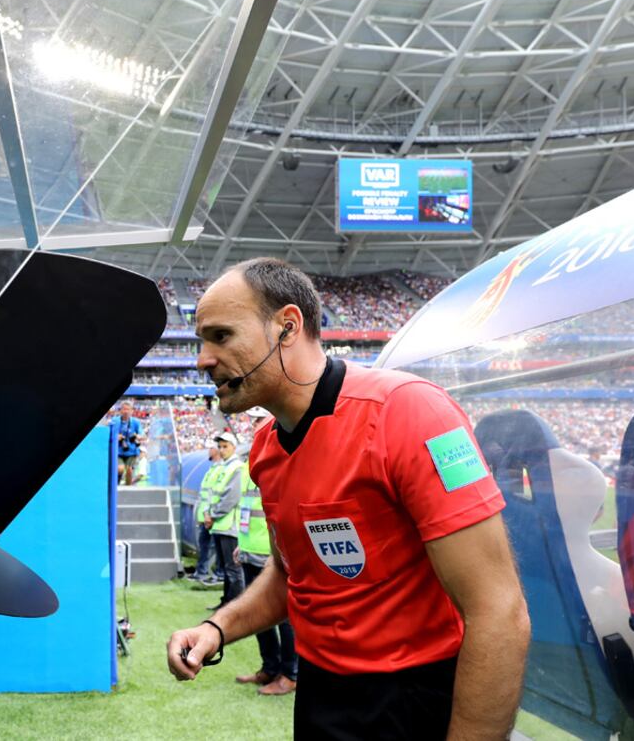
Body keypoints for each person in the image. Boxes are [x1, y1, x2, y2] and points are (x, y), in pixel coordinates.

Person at [167, 258, 529, 740]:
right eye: (202, 341)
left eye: (221, 336)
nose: (202, 359)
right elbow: (291, 577)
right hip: (322, 697)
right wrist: (216, 629)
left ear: (286, 327)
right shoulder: (266, 449)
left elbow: (499, 611)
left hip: (414, 699)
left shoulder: (410, 411)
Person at [233, 406, 297, 697]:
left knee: (283, 617)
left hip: (271, 556)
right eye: (251, 421)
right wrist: (241, 543)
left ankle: (290, 673)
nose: (253, 425)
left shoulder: (281, 457)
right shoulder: (254, 461)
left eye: (258, 419)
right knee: (259, 616)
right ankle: (270, 667)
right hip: (250, 548)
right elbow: (248, 508)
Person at [205, 431, 244, 609]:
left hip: (229, 525)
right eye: (219, 446)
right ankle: (226, 602)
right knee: (227, 569)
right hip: (220, 524)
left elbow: (231, 498)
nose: (221, 450)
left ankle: (234, 608)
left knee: (233, 569)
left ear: (234, 447)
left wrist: (213, 515)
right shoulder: (224, 467)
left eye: (225, 446)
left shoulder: (236, 467)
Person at [189, 446, 222, 583]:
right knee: (204, 545)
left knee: (215, 546)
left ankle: (218, 573)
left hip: (213, 516)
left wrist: (211, 514)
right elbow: (204, 495)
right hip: (205, 515)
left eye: (211, 448)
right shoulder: (212, 469)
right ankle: (201, 571)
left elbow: (215, 495)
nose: (209, 450)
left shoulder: (221, 469)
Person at [113, 402, 143, 486]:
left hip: (132, 451)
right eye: (124, 409)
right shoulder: (115, 421)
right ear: (120, 410)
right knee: (120, 469)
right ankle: (116, 485)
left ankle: (128, 488)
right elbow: (108, 434)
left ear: (131, 411)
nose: (126, 411)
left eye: (128, 409)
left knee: (129, 470)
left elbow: (141, 434)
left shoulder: (136, 422)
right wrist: (116, 437)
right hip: (118, 451)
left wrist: (138, 436)